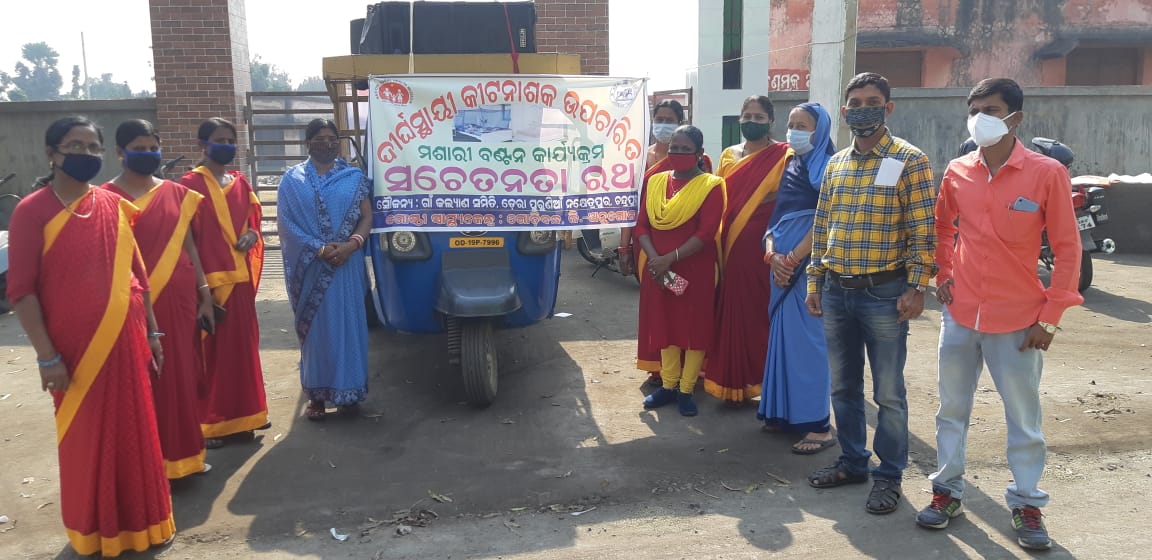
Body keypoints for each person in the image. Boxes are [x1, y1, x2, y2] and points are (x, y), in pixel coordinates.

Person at [915, 79, 1083, 551]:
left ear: (1015, 118)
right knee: (951, 409)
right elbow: (942, 226)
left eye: (990, 110)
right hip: (961, 312)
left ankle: (1027, 504)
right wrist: (943, 273)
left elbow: (1067, 249)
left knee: (1023, 418)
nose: (979, 118)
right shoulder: (957, 171)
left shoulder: (1046, 173)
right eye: (974, 110)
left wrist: (1050, 316)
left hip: (1019, 319)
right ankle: (946, 492)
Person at [7, 116, 174, 556]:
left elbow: (138, 274)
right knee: (87, 441)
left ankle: (143, 525)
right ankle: (95, 532)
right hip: (74, 352)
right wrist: (47, 356)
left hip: (128, 341)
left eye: (93, 147)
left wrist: (153, 331)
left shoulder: (113, 204)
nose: (86, 154)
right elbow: (22, 292)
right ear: (52, 154)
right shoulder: (32, 211)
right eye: (75, 146)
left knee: (135, 432)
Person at [804, 72, 937, 515]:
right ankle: (853, 462)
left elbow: (923, 230)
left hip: (884, 294)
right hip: (836, 293)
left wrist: (917, 287)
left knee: (888, 394)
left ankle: (889, 476)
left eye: (873, 102)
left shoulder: (909, 160)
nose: (863, 110)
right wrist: (815, 282)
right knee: (843, 387)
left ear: (888, 107)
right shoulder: (836, 164)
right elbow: (822, 227)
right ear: (845, 111)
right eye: (856, 103)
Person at [102, 119, 215, 478]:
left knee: (180, 375)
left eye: (154, 148)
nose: (149, 154)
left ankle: (185, 457)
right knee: (142, 379)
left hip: (178, 299)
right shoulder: (105, 199)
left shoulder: (177, 194)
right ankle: (148, 466)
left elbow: (190, 247)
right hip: (130, 304)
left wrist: (204, 294)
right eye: (140, 148)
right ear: (120, 152)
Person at [180, 117, 269, 448]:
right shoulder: (188, 185)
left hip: (239, 281)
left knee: (242, 352)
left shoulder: (240, 183)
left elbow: (253, 223)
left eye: (231, 141)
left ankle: (245, 417)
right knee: (210, 354)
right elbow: (184, 239)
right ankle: (211, 423)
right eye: (220, 140)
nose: (228, 146)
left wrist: (252, 235)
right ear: (202, 145)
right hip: (207, 283)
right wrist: (199, 288)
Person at [278, 119, 372, 420]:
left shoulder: (353, 177)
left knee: (348, 327)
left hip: (346, 265)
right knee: (316, 333)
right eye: (320, 138)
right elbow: (286, 225)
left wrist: (351, 245)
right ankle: (317, 397)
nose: (327, 144)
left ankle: (350, 393)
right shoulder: (292, 180)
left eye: (332, 138)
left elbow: (366, 217)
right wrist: (318, 248)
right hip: (311, 267)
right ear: (308, 143)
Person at [758, 102, 837, 454]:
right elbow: (776, 218)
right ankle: (783, 413)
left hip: (809, 270)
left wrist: (792, 259)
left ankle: (818, 426)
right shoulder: (792, 164)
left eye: (802, 125)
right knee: (783, 340)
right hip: (781, 267)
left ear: (819, 131)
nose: (794, 131)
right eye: (791, 124)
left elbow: (826, 222)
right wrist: (772, 254)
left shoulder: (831, 168)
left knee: (809, 345)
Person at [634, 125, 726, 417]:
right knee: (665, 325)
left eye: (686, 149)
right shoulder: (656, 182)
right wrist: (656, 260)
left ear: (699, 153)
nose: (677, 153)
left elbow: (706, 233)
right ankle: (669, 384)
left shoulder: (711, 185)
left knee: (694, 328)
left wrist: (669, 258)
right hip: (659, 270)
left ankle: (686, 390)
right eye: (674, 147)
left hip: (695, 269)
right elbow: (641, 226)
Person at [621, 100, 713, 388]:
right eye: (658, 118)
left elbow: (706, 225)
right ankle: (660, 371)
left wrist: (669, 257)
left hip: (688, 257)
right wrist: (628, 248)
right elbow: (633, 210)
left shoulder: (706, 173)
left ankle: (687, 380)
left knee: (688, 313)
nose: (662, 124)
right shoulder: (641, 159)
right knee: (659, 311)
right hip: (650, 253)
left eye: (669, 119)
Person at [705, 95, 790, 405]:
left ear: (770, 121)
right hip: (728, 241)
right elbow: (720, 195)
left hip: (763, 243)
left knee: (757, 310)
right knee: (729, 308)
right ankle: (731, 382)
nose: (752, 122)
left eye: (759, 117)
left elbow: (786, 199)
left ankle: (761, 381)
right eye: (747, 116)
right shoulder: (728, 155)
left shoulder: (784, 155)